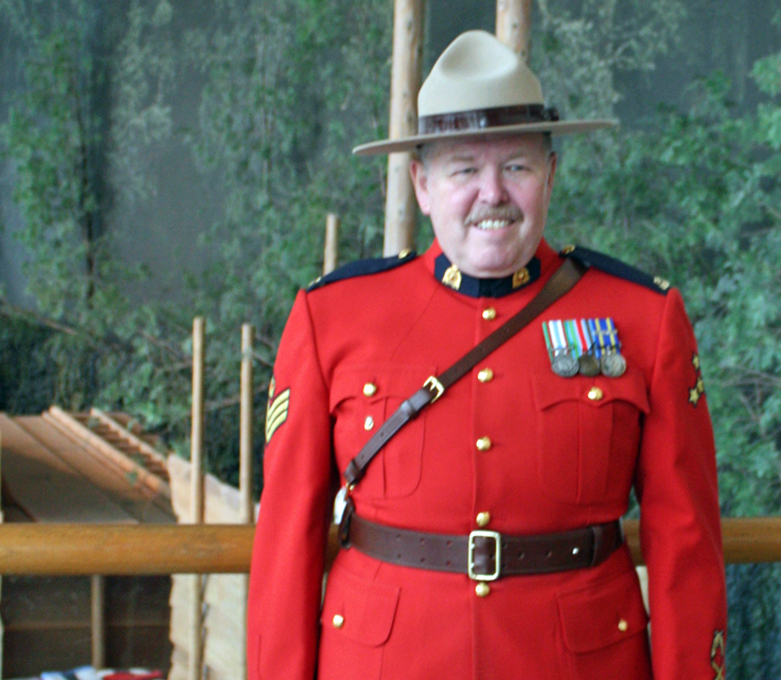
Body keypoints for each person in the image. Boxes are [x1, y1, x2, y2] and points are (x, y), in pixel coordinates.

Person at [248, 30, 727, 680]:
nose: (492, 193)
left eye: (517, 167)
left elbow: (685, 541)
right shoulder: (331, 318)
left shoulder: (643, 319)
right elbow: (287, 540)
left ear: (550, 176)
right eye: (464, 169)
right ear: (422, 184)